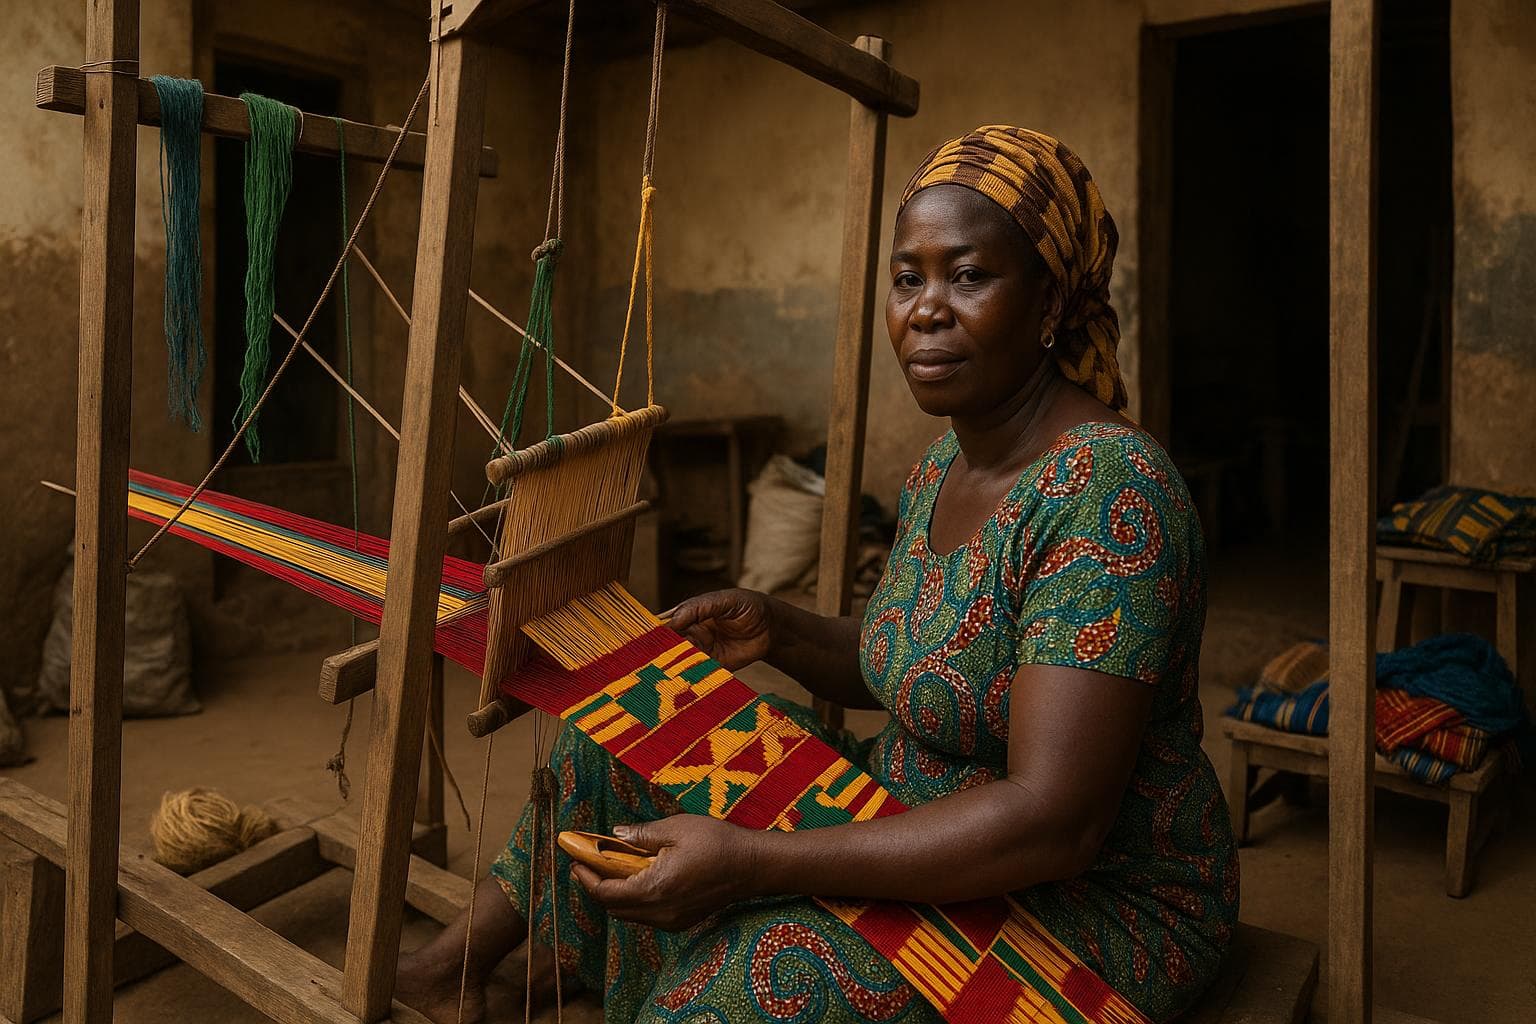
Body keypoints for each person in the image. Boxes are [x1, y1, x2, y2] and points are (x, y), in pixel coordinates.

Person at [397, 125, 1237, 1024]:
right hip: (910, 800)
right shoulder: (943, 466)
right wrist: (780, 629)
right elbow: (920, 668)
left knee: (754, 985)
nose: (925, 309)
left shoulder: (1109, 495)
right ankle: (456, 967)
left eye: (969, 275)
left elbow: (1053, 822)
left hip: (1087, 903)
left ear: (1048, 303)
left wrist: (753, 863)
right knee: (621, 742)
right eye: (908, 277)